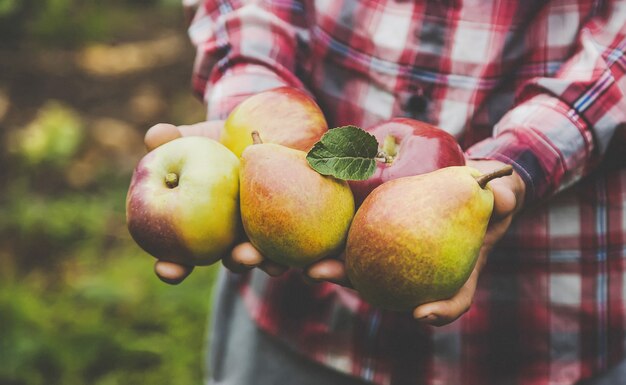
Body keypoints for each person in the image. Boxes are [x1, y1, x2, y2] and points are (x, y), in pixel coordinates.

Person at [142, 0, 626, 384]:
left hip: (545, 320)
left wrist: (518, 161)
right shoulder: (263, 169)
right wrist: (250, 103)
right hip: (292, 308)